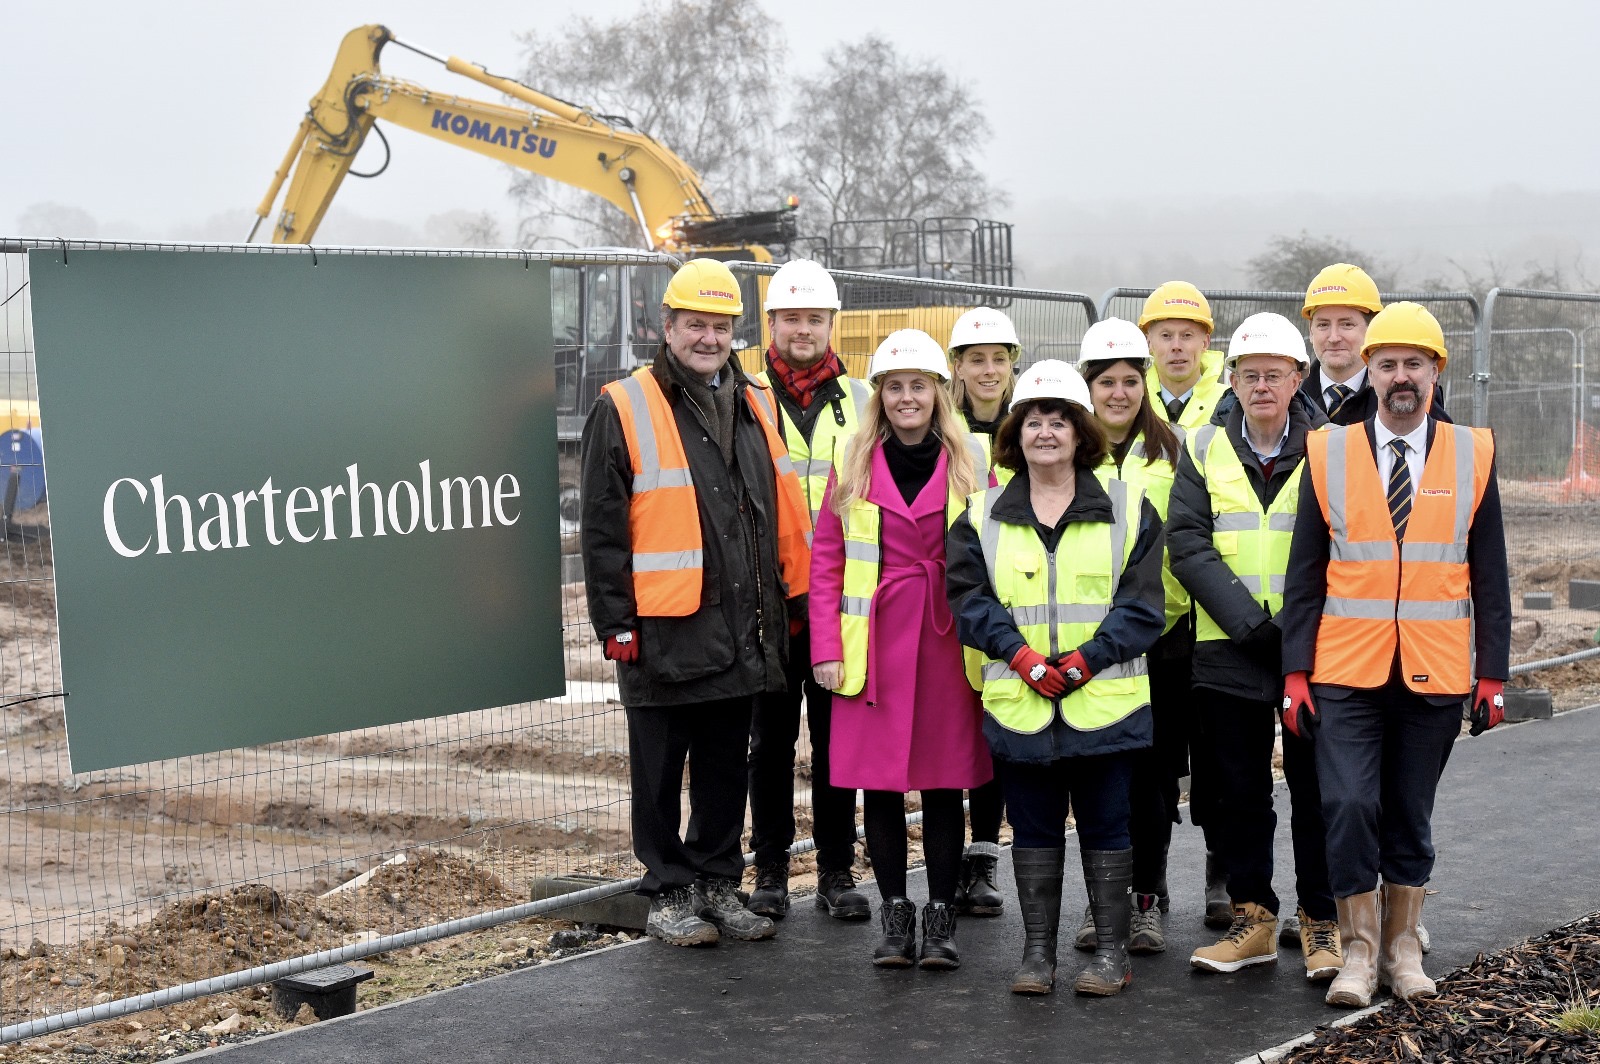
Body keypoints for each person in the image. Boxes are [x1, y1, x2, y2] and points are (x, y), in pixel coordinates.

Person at [1279, 302, 1510, 1007]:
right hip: (1345, 668)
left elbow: (1491, 574)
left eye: (1415, 363)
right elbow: (1305, 573)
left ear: (1437, 372)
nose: (1400, 377)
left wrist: (1492, 675)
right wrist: (1294, 672)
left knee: (1409, 809)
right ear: (1367, 373)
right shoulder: (1331, 450)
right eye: (1388, 365)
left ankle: (1404, 947)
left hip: (1435, 668)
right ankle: (1358, 951)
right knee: (1348, 804)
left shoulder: (1473, 453)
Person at [580, 258, 812, 948]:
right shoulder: (622, 405)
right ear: (666, 326)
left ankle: (716, 882)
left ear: (733, 332)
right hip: (661, 627)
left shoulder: (754, 400)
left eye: (720, 327)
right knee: (657, 771)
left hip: (740, 622)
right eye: (695, 325)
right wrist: (616, 622)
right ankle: (669, 893)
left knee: (722, 765)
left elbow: (775, 508)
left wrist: (791, 599)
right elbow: (602, 527)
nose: (708, 338)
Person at [947, 360, 1166, 996]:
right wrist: (1021, 659)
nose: (1046, 433)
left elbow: (1143, 604)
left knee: (1106, 829)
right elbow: (969, 598)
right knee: (1035, 831)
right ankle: (1037, 952)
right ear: (1016, 435)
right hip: (1021, 703)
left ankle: (1108, 956)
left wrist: (1087, 660)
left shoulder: (1128, 508)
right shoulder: (980, 513)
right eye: (1034, 421)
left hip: (1104, 707)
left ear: (1081, 434)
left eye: (1060, 422)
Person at [1165, 313, 1343, 982]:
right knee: (1238, 791)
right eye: (1249, 374)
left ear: (1299, 378)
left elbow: (1343, 547)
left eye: (1274, 373)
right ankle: (1254, 918)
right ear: (1231, 379)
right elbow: (1187, 543)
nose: (1261, 384)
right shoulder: (1203, 445)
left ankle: (1321, 922)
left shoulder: (1332, 446)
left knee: (1318, 787)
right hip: (1230, 646)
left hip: (1316, 647)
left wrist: (1291, 631)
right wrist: (1250, 626)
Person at [809, 329, 990, 970]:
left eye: (919, 386)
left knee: (945, 787)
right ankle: (895, 918)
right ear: (879, 396)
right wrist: (826, 647)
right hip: (873, 649)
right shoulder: (851, 461)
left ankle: (939, 919)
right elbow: (826, 562)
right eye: (894, 387)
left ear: (938, 393)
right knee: (878, 788)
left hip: (948, 644)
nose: (906, 397)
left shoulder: (973, 459)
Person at [745, 259, 872, 923]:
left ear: (831, 325)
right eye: (791, 318)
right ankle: (768, 872)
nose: (802, 329)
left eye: (813, 318)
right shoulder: (746, 396)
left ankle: (835, 871)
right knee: (768, 746)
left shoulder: (862, 401)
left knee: (835, 743)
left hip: (836, 602)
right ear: (772, 324)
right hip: (767, 603)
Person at [1069, 319, 1187, 958]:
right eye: (1106, 381)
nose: (1118, 393)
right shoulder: (1065, 452)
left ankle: (1146, 897)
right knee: (1098, 776)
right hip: (1089, 642)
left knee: (1153, 778)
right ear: (1087, 387)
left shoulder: (1174, 452)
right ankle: (1102, 898)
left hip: (1161, 636)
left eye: (1129, 381)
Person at [1137, 280, 1231, 926]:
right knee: (1153, 763)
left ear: (1206, 342)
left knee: (1222, 758)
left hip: (1216, 614)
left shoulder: (1227, 405)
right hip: (1154, 618)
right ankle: (1149, 887)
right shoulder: (1119, 400)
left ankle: (1223, 881)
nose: (1176, 345)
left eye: (1187, 335)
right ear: (1148, 342)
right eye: (1164, 335)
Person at [946, 305, 1020, 917]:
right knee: (962, 730)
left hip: (1017, 598)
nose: (988, 370)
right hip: (961, 597)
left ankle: (983, 861)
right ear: (958, 367)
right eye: (977, 360)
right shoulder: (943, 431)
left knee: (999, 730)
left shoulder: (1029, 426)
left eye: (999, 359)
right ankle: (963, 864)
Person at [1301, 264, 1449, 425]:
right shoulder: (1288, 395)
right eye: (1323, 325)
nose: (1334, 337)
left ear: (1371, 328)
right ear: (1310, 330)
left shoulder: (1410, 393)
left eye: (1346, 325)